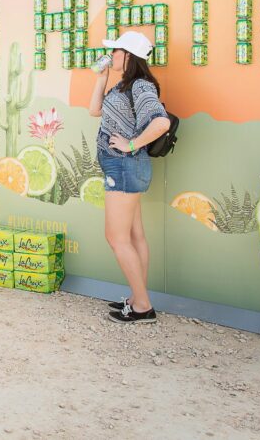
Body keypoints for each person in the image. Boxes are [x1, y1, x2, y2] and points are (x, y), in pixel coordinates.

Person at [88, 31, 170, 325]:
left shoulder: (141, 86)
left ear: (129, 55)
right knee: (134, 237)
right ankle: (138, 299)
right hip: (123, 167)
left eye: (116, 51)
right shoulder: (123, 85)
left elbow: (161, 121)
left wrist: (131, 144)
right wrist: (102, 77)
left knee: (116, 237)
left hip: (125, 166)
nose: (111, 55)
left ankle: (143, 306)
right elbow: (94, 110)